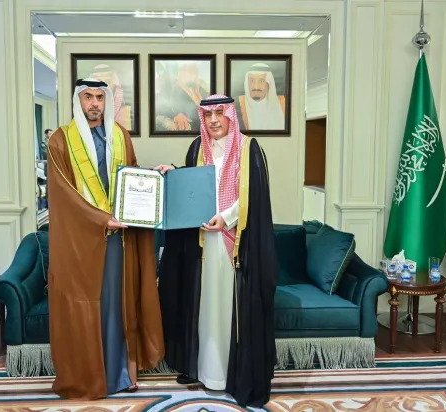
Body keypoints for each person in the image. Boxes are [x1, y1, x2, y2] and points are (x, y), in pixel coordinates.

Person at [154, 94, 278, 407]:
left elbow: (255, 195)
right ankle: (205, 371)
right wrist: (173, 173)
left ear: (230, 116)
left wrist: (226, 217)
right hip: (202, 246)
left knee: (228, 310)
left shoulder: (249, 149)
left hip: (235, 245)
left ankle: (230, 376)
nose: (213, 121)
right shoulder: (198, 147)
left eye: (219, 113)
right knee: (204, 309)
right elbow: (194, 187)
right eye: (208, 115)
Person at [46, 78, 164, 400]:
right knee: (88, 308)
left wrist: (153, 178)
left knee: (117, 304)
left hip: (118, 239)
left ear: (107, 101)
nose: (94, 103)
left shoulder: (120, 136)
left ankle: (121, 373)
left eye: (100, 97)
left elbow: (131, 175)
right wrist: (101, 219)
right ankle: (89, 377)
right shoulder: (60, 141)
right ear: (78, 101)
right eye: (88, 97)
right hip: (81, 242)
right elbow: (63, 195)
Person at [235, 63, 286, 130]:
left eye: (261, 81)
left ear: (269, 83)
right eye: (252, 81)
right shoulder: (236, 105)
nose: (256, 86)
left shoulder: (284, 103)